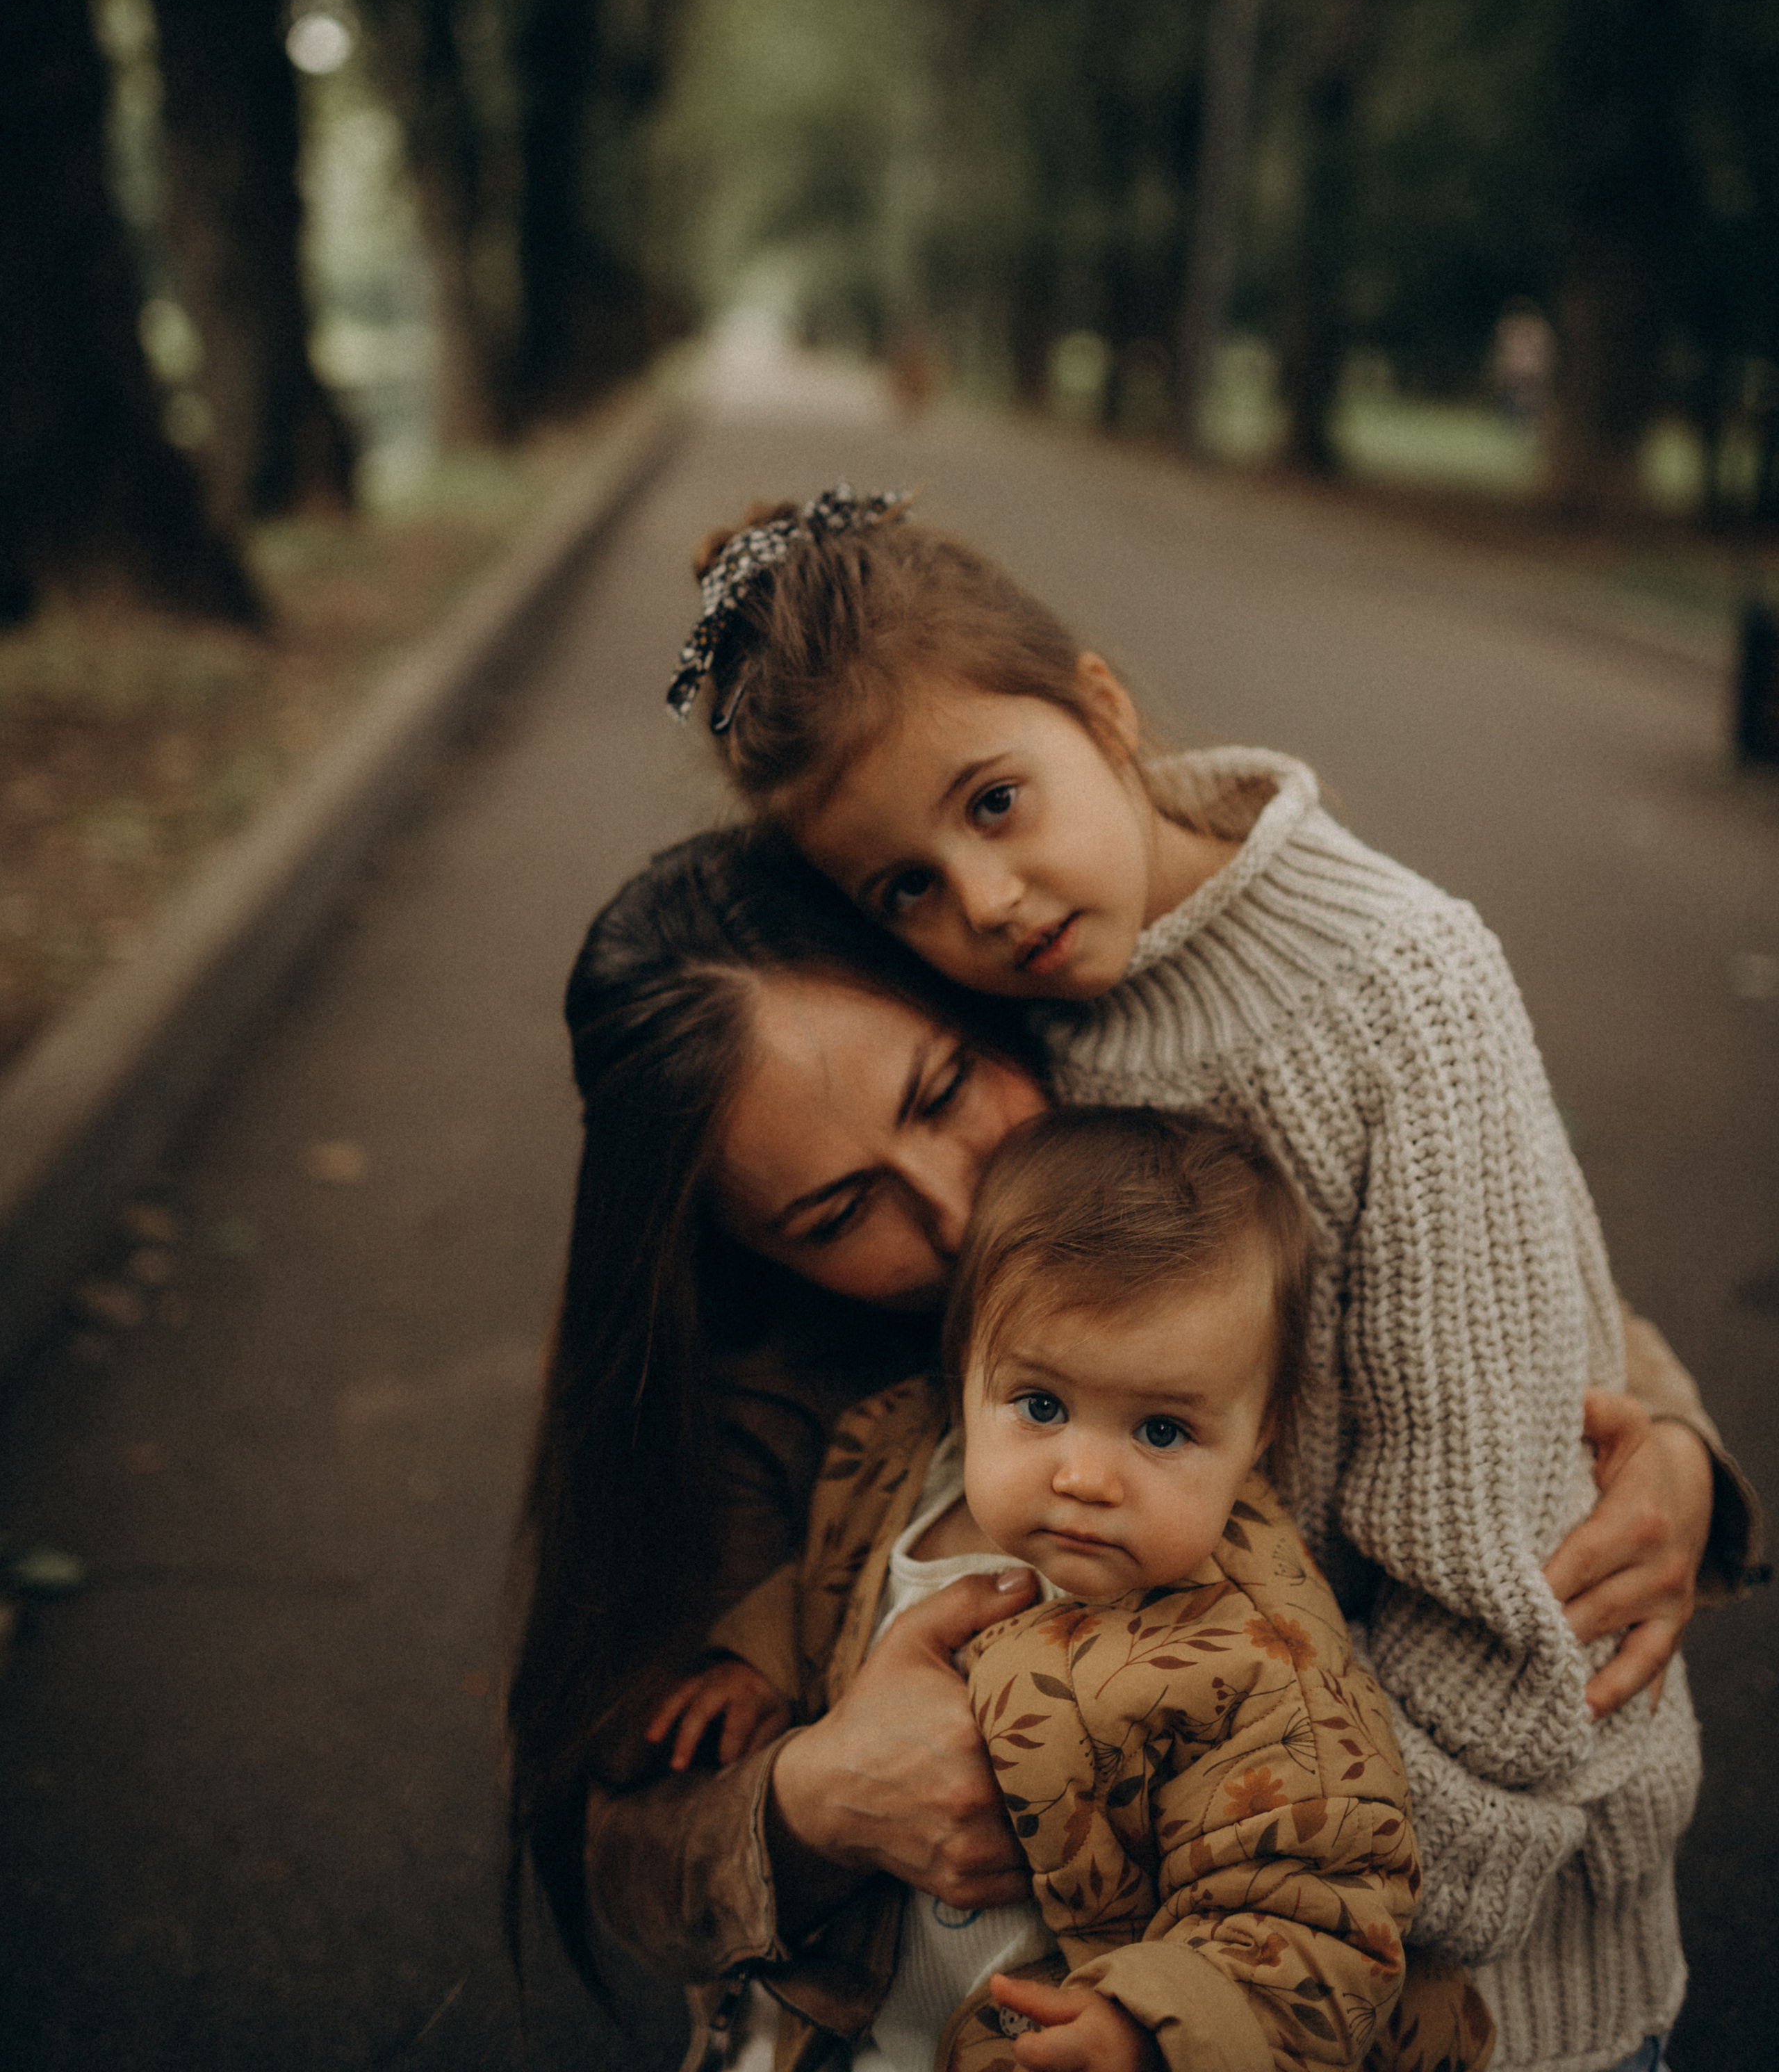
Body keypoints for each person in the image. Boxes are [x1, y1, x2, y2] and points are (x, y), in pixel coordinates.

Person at [621, 485, 1762, 2072]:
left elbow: (1495, 1508)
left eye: (995, 803)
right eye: (904, 887)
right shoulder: (1040, 1015)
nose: (984, 900)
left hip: (1439, 1943)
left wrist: (1275, 1892)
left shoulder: (1399, 985)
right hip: (1183, 1926)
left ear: (1100, 706)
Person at [649, 1104, 1459, 2072]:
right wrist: (758, 1661)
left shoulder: (1257, 1651)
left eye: (1161, 1430)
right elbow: (834, 1578)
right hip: (846, 2024)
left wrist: (1150, 2030)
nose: (1086, 1477)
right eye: (1041, 1405)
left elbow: (1316, 1908)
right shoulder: (893, 1463)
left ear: (1261, 1432)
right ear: (967, 1367)